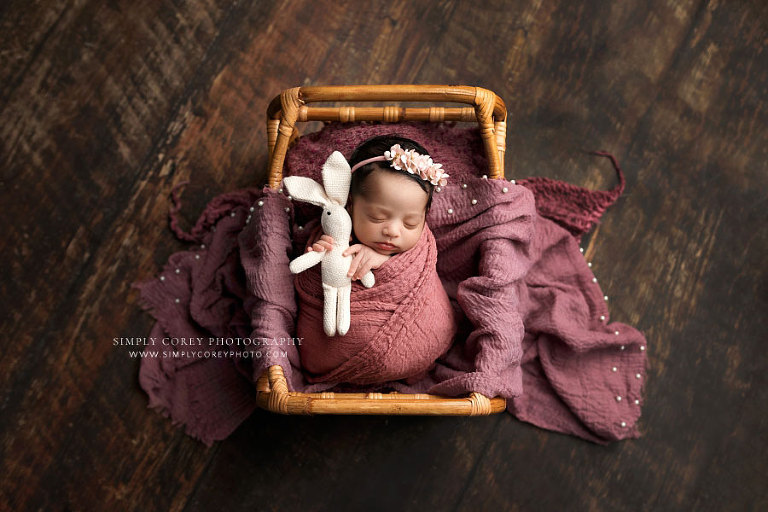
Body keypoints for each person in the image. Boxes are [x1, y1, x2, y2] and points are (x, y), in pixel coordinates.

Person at [304, 134, 448, 282]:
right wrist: (325, 255)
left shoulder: (419, 253)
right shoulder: (334, 227)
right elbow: (316, 283)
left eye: (410, 223)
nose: (392, 232)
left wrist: (384, 262)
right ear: (350, 205)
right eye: (377, 217)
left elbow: (419, 281)